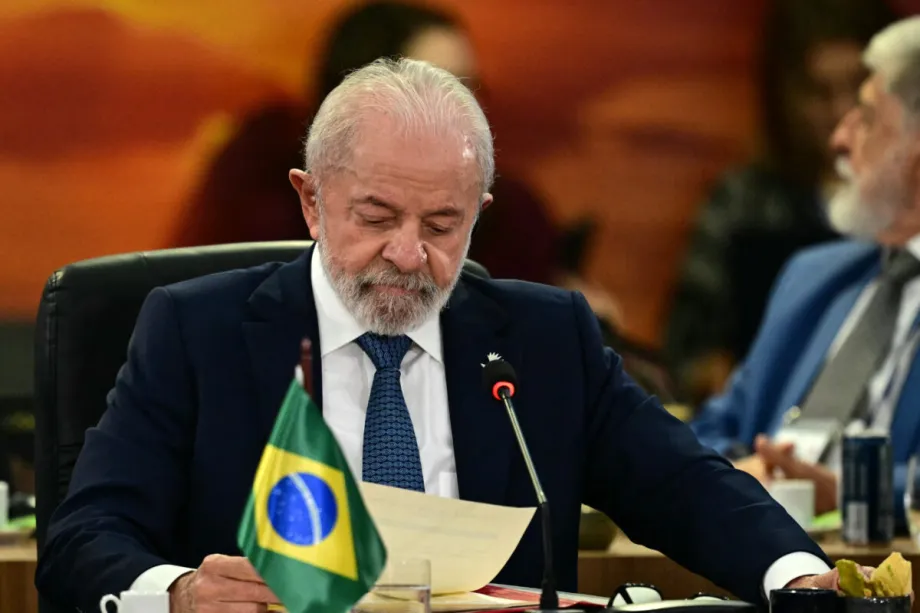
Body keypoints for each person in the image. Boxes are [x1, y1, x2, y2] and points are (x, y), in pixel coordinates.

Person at [37, 58, 846, 613]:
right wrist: (179, 592)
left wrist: (795, 573)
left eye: (442, 224)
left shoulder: (543, 339)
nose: (407, 253)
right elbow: (83, 536)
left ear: (479, 214)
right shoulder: (196, 331)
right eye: (377, 216)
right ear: (311, 201)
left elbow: (684, 484)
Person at [174, 0, 582, 289]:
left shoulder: (507, 216)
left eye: (468, 88)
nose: (461, 110)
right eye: (433, 88)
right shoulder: (267, 193)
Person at [691, 16, 920, 520]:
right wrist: (737, 474)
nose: (839, 138)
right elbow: (712, 429)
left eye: (866, 118)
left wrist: (853, 489)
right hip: (761, 543)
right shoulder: (813, 276)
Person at [665, 0, 897, 405]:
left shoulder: (908, 202)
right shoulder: (744, 204)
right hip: (767, 423)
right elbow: (687, 349)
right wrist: (714, 375)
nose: (842, 113)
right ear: (784, 95)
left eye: (858, 87)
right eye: (818, 93)